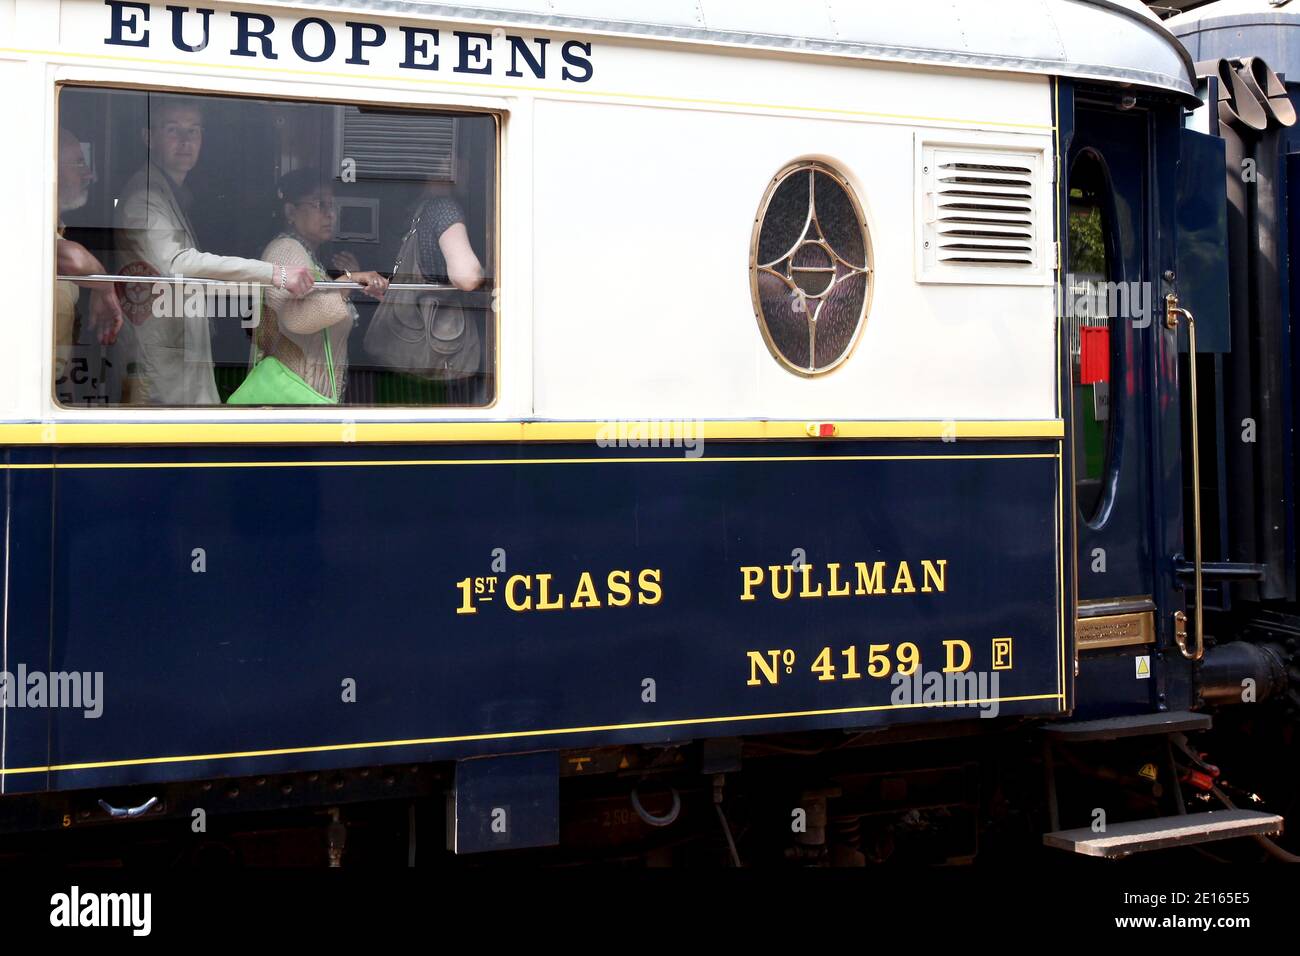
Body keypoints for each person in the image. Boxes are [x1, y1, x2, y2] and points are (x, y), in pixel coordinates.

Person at [113, 96, 315, 405]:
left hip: (178, 352)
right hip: (159, 362)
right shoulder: (144, 199)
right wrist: (275, 274)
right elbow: (179, 264)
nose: (185, 141)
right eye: (173, 130)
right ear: (149, 137)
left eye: (193, 131)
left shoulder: (172, 194)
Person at [254, 168, 388, 401]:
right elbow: (297, 317)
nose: (330, 215)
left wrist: (350, 280)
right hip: (294, 401)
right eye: (319, 205)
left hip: (306, 398)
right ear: (290, 212)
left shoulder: (306, 254)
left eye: (332, 205)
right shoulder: (285, 250)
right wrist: (350, 280)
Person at [56, 127, 123, 350]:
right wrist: (104, 285)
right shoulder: (22, 225)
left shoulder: (58, 229)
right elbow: (73, 259)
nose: (89, 174)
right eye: (78, 163)